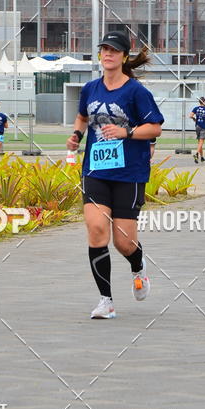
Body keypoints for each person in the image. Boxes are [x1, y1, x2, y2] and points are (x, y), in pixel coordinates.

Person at [67, 30, 164, 319]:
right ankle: (105, 301)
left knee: (123, 242)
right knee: (97, 230)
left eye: (113, 50)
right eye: (104, 49)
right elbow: (83, 115)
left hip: (129, 173)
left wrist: (127, 131)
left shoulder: (136, 92)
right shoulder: (90, 89)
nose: (107, 54)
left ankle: (138, 266)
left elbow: (155, 127)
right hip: (96, 169)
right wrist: (76, 134)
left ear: (123, 56)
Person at [189, 96, 205, 164]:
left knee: (199, 143)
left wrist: (195, 119)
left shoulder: (196, 108)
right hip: (203, 126)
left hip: (197, 126)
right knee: (201, 142)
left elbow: (190, 115)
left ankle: (202, 157)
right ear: (204, 102)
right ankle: (196, 154)